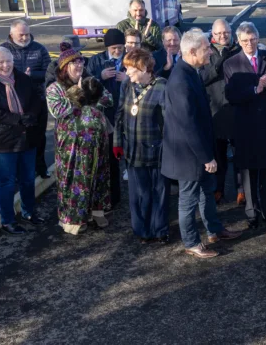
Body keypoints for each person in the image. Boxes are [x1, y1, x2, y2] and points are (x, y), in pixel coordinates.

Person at [161, 28, 242, 259]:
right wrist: (206, 157)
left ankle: (214, 230)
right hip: (188, 156)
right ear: (193, 51)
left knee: (207, 191)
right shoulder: (180, 81)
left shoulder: (191, 72)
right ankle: (191, 242)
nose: (210, 52)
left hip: (199, 150)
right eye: (207, 48)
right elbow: (188, 125)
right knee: (188, 199)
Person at [223, 22, 266, 229]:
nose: (249, 44)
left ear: (258, 39)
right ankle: (251, 212)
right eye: (244, 41)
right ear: (239, 41)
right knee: (248, 173)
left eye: (252, 39)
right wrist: (255, 89)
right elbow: (231, 96)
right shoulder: (231, 63)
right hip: (246, 127)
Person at [0, 47, 45, 235]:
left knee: (28, 179)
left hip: (26, 138)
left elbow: (37, 98)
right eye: (1, 62)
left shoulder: (23, 78)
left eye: (9, 61)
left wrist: (31, 115)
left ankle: (28, 212)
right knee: (6, 182)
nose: (6, 65)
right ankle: (7, 220)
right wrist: (16, 119)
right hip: (2, 140)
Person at [46, 45, 112, 235]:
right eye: (74, 62)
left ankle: (97, 211)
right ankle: (73, 219)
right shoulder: (55, 88)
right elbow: (58, 110)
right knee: (73, 179)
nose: (79, 65)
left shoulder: (91, 81)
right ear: (65, 67)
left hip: (95, 141)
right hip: (71, 145)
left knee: (97, 175)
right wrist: (78, 95)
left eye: (81, 61)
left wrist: (91, 98)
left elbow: (107, 98)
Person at [114, 49, 170, 243]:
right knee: (139, 194)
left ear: (144, 68)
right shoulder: (126, 85)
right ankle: (142, 231)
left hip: (157, 151)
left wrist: (169, 149)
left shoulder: (162, 86)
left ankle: (160, 230)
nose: (127, 72)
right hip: (132, 151)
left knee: (159, 192)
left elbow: (169, 123)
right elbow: (119, 115)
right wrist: (117, 143)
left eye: (130, 68)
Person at [0, 19, 52, 178]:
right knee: (16, 138)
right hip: (12, 102)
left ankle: (40, 166)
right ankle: (18, 171)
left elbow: (50, 72)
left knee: (39, 136)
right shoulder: (2, 50)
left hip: (37, 100)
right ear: (11, 34)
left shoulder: (39, 49)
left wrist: (32, 76)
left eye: (27, 34)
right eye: (21, 35)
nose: (24, 38)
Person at [86, 29, 129, 206]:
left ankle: (120, 195)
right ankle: (108, 196)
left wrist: (127, 79)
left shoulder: (130, 59)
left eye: (120, 47)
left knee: (126, 152)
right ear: (106, 47)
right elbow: (86, 85)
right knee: (108, 157)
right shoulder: (96, 61)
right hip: (104, 115)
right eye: (114, 48)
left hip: (126, 110)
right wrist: (99, 77)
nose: (118, 51)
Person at [199, 18, 240, 203]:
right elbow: (203, 78)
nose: (223, 36)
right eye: (218, 33)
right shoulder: (206, 51)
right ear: (212, 34)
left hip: (237, 110)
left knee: (240, 154)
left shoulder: (239, 49)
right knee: (219, 155)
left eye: (226, 33)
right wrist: (219, 64)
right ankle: (219, 188)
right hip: (215, 111)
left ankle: (242, 189)